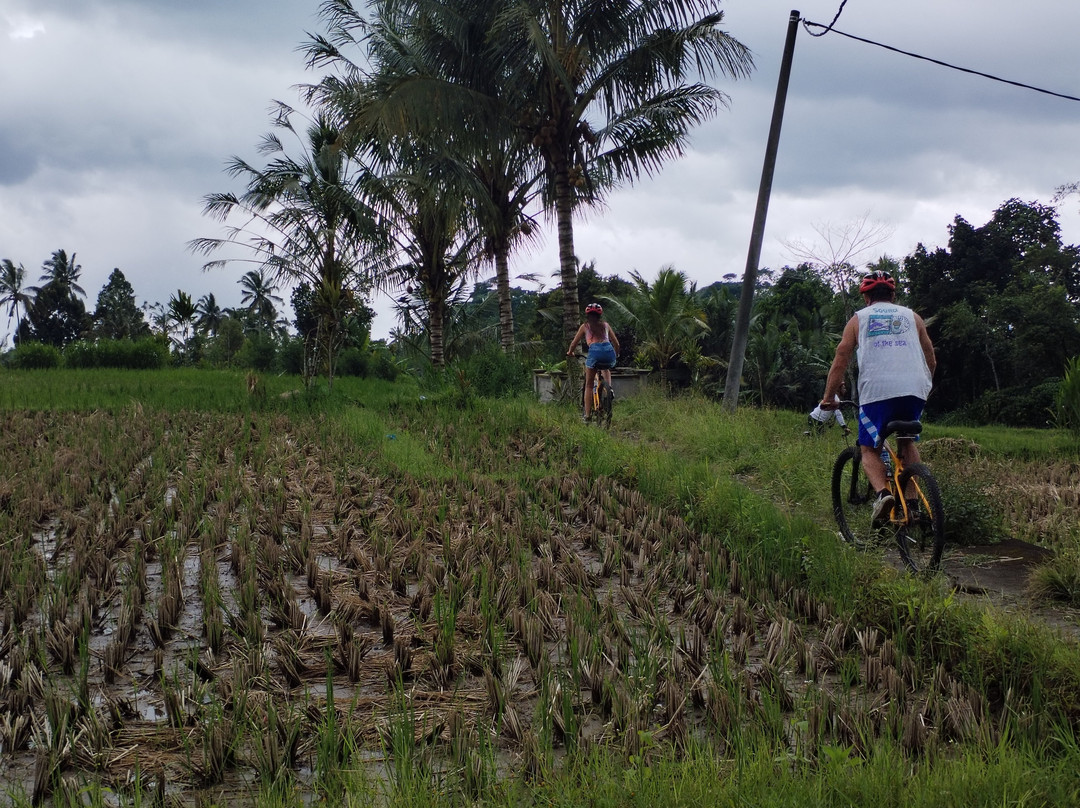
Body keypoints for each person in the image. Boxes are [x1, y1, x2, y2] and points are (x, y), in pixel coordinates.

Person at [820, 270, 936, 526]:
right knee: (906, 441)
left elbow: (841, 358)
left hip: (878, 392)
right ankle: (913, 504)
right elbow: (931, 358)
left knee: (869, 449)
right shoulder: (913, 317)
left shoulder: (858, 319)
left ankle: (883, 496)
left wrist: (828, 397)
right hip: (914, 390)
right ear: (893, 295)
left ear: (866, 297)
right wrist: (925, 386)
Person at [567, 302, 621, 422]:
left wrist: (570, 352)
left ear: (587, 315)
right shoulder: (606, 325)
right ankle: (609, 389)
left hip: (595, 352)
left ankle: (587, 416)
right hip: (609, 352)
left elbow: (574, 343)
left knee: (589, 384)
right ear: (600, 315)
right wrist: (616, 355)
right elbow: (616, 344)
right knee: (606, 368)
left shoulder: (585, 327)